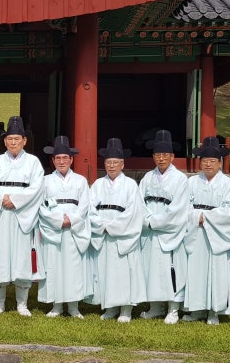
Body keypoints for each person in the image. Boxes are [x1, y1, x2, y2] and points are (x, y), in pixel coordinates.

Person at [0, 116, 45, 317]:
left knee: (21, 259)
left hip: (21, 216)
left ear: (24, 141)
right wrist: (1, 199)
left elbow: (36, 188)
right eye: (10, 139)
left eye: (17, 139)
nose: (13, 142)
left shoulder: (33, 162)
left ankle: (22, 304)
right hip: (0, 215)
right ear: (5, 141)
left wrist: (15, 200)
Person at [88, 138, 146, 323]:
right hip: (104, 234)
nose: (111, 166)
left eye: (115, 163)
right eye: (108, 163)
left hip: (122, 237)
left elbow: (133, 212)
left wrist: (111, 227)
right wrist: (101, 225)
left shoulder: (130, 185)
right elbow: (90, 209)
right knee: (105, 272)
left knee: (124, 273)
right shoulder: (97, 184)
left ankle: (126, 309)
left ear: (122, 164)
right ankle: (110, 307)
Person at [182, 136, 230, 325]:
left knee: (217, 272)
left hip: (216, 233)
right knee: (196, 271)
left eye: (213, 161)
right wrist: (194, 217)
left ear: (219, 163)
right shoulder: (191, 182)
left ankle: (215, 310)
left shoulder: (227, 184)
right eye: (205, 160)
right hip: (196, 231)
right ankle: (196, 309)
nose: (208, 164)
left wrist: (205, 217)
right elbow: (183, 206)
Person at [138, 130, 189, 324]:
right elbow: (139, 202)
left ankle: (173, 308)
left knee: (171, 270)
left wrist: (156, 222)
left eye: (165, 155)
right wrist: (147, 220)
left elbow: (178, 209)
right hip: (150, 231)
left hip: (170, 232)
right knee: (151, 269)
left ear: (172, 156)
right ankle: (155, 307)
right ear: (153, 157)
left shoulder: (180, 179)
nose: (161, 158)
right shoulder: (147, 178)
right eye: (158, 155)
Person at [37, 136, 91, 319]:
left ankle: (74, 306)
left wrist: (72, 219)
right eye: (57, 158)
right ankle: (57, 304)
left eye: (65, 158)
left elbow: (85, 205)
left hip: (74, 229)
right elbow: (41, 206)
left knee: (73, 267)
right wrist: (59, 220)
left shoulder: (81, 181)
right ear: (52, 161)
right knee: (54, 267)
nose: (61, 162)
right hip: (54, 229)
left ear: (71, 159)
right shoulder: (45, 181)